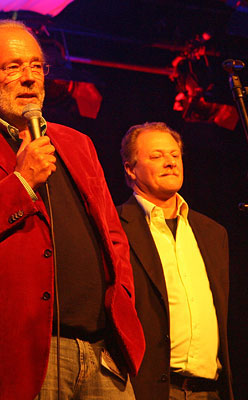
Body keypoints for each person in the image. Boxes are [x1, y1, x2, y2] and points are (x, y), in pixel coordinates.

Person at [0, 20, 145, 400]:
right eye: (13, 67)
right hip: (19, 352)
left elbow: (113, 235)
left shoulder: (77, 143)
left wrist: (120, 298)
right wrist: (21, 182)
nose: (28, 77)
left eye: (36, 66)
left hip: (102, 351)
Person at [117, 122, 233, 400]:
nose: (170, 162)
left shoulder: (212, 232)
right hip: (147, 389)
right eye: (156, 156)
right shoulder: (115, 225)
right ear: (130, 169)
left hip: (210, 390)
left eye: (174, 155)